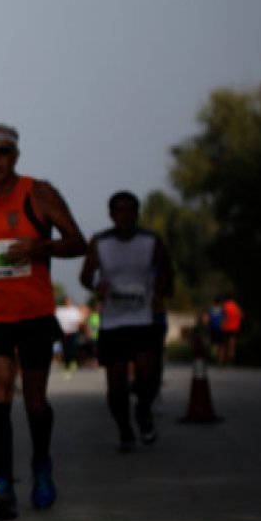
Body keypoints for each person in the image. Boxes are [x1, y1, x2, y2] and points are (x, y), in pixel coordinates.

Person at [0, 124, 85, 520]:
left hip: (33, 312)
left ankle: (42, 466)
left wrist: (40, 246)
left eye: (3, 151)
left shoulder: (38, 193)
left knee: (34, 400)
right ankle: (2, 483)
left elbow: (78, 242)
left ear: (15, 155)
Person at [79, 191, 174, 451]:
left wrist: (158, 293)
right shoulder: (100, 242)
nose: (125, 216)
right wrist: (97, 286)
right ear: (111, 214)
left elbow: (167, 270)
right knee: (116, 383)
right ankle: (124, 429)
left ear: (137, 213)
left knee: (147, 374)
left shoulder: (150, 240)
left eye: (130, 210)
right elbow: (86, 276)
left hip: (143, 317)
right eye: (119, 210)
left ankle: (143, 412)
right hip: (113, 320)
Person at [54, 295, 84, 375]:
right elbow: (56, 321)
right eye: (67, 301)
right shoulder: (59, 310)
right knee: (65, 348)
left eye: (69, 301)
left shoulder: (75, 310)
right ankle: (66, 363)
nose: (68, 302)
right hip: (63, 332)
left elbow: (80, 321)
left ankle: (73, 362)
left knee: (73, 348)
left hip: (73, 332)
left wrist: (75, 324)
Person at [218, 294, 243, 364]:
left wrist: (222, 323)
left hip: (226, 327)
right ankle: (231, 358)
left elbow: (224, 316)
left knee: (223, 344)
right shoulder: (236, 306)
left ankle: (221, 360)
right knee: (232, 344)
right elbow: (241, 315)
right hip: (235, 328)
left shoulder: (225, 305)